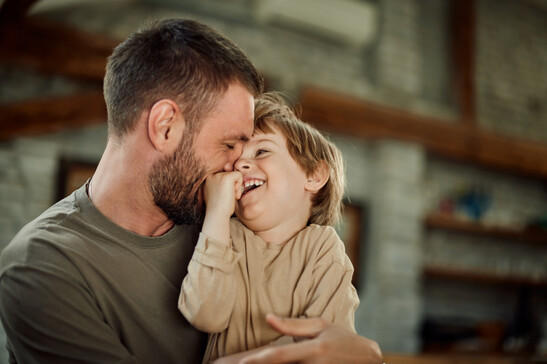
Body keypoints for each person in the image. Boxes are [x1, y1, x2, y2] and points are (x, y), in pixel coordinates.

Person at [0, 18, 382, 364]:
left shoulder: (228, 221)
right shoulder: (41, 265)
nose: (236, 165)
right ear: (165, 126)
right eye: (230, 144)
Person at [178, 92, 359, 363]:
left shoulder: (323, 247)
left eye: (261, 151)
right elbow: (205, 314)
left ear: (314, 175)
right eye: (235, 158)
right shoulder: (224, 236)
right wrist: (216, 212)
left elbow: (322, 346)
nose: (240, 164)